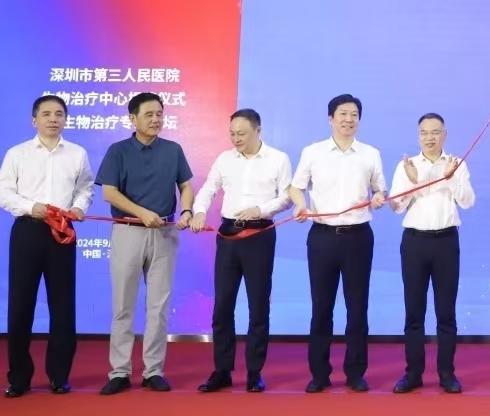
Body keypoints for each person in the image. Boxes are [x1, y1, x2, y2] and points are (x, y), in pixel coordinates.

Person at [95, 92, 195, 395]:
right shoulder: (118, 151)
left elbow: (186, 186)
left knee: (159, 306)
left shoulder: (173, 150)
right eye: (149, 114)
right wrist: (141, 213)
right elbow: (109, 193)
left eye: (159, 114)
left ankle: (153, 370)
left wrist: (186, 210)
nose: (156, 119)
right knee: (123, 306)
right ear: (133, 118)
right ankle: (119, 372)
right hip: (128, 231)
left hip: (164, 232)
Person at [288, 94, 387, 393]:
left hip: (358, 237)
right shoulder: (313, 152)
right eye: (342, 113)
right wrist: (300, 205)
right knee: (322, 307)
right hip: (322, 238)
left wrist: (379, 197)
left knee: (357, 308)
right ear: (330, 118)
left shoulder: (370, 153)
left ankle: (355, 373)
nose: (348, 119)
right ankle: (319, 374)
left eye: (354, 114)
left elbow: (380, 189)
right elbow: (296, 187)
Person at [190, 109, 293, 393]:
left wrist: (261, 209)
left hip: (260, 234)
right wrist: (199, 211)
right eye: (232, 133)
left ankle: (254, 372)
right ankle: (222, 370)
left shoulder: (278, 159)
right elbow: (208, 189)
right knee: (222, 305)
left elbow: (287, 197)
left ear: (258, 131)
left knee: (258, 305)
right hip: (228, 235)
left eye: (242, 134)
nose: (236, 139)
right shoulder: (225, 159)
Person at [0, 95, 93, 398]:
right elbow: (4, 193)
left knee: (63, 306)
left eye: (59, 114)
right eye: (47, 114)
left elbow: (85, 188)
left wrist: (79, 207)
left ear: (66, 119)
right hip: (28, 230)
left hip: (62, 233)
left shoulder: (77, 153)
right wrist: (32, 207)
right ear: (34, 120)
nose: (54, 119)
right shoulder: (17, 153)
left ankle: (59, 376)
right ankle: (19, 378)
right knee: (20, 306)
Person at [389, 113, 474, 394]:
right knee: (414, 312)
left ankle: (447, 374)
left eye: (435, 132)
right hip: (414, 243)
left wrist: (449, 178)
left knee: (446, 313)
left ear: (444, 135)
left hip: (446, 242)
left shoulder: (457, 164)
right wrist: (413, 183)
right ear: (418, 136)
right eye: (424, 132)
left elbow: (468, 202)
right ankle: (413, 374)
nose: (430, 137)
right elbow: (396, 207)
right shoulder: (407, 166)